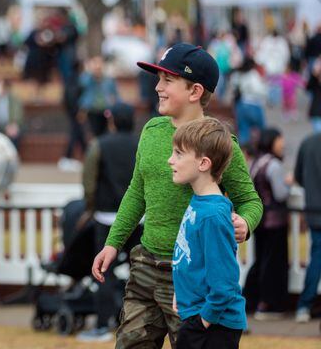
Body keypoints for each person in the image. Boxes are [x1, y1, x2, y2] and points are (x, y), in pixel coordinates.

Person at [91, 43, 263, 348]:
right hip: (144, 265)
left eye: (167, 80)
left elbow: (251, 200)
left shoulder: (221, 144)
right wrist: (113, 243)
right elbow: (136, 192)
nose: (157, 88)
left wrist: (246, 223)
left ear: (195, 91)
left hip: (191, 279)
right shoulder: (151, 130)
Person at [169, 117, 246, 349]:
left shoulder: (212, 215)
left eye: (179, 154)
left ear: (203, 163)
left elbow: (224, 281)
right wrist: (180, 294)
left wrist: (202, 322)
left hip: (214, 325)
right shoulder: (200, 202)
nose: (170, 160)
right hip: (199, 316)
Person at [76, 103, 140, 342]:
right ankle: (140, 323)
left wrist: (89, 207)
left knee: (103, 271)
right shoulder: (142, 143)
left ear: (111, 121)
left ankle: (103, 324)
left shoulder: (99, 145)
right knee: (141, 270)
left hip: (107, 216)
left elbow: (89, 182)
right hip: (140, 218)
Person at [243, 128, 290, 319]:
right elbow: (281, 194)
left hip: (260, 221)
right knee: (273, 264)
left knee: (261, 261)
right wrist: (290, 182)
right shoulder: (274, 165)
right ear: (272, 141)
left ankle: (251, 301)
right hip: (275, 222)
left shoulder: (257, 162)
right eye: (280, 139)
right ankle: (268, 304)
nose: (283, 143)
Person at [293, 131, 321, 323]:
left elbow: (298, 175)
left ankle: (304, 305)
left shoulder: (308, 142)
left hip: (314, 210)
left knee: (316, 259)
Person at [229, 56, 267, 146]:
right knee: (262, 131)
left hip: (241, 105)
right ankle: (262, 149)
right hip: (254, 105)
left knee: (243, 131)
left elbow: (233, 86)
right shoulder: (253, 74)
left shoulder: (237, 74)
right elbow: (260, 90)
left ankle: (244, 153)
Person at [79, 56, 119, 138]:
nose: (98, 67)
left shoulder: (109, 80)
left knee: (106, 134)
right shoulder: (88, 79)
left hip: (106, 111)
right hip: (92, 110)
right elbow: (83, 89)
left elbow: (115, 95)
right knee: (93, 133)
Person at [0, 77, 24, 148]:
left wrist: (13, 125)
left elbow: (17, 116)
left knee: (13, 135)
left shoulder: (14, 99)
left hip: (11, 127)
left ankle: (11, 157)